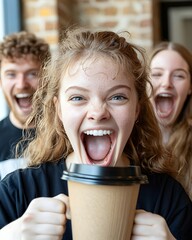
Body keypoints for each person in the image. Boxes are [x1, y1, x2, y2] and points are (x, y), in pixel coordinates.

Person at [0, 27, 192, 240]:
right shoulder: (18, 192)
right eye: (77, 98)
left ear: (137, 109)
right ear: (59, 110)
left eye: (117, 97)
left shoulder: (168, 197)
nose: (98, 113)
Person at [0, 31, 50, 178]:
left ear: (47, 78)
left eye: (32, 74)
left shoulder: (65, 135)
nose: (22, 84)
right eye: (11, 74)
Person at [149, 41, 192, 200]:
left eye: (179, 75)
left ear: (189, 87)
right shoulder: (127, 144)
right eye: (157, 74)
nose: (166, 83)